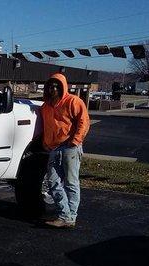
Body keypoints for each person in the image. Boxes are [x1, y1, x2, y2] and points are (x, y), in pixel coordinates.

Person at [41, 73, 90, 228]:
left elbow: (84, 121)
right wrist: (45, 143)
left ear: (63, 87)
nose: (53, 88)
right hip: (54, 148)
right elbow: (46, 127)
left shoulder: (73, 101)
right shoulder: (45, 106)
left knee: (71, 183)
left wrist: (75, 141)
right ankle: (66, 215)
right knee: (53, 181)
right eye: (50, 85)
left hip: (70, 148)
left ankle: (69, 217)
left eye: (56, 86)